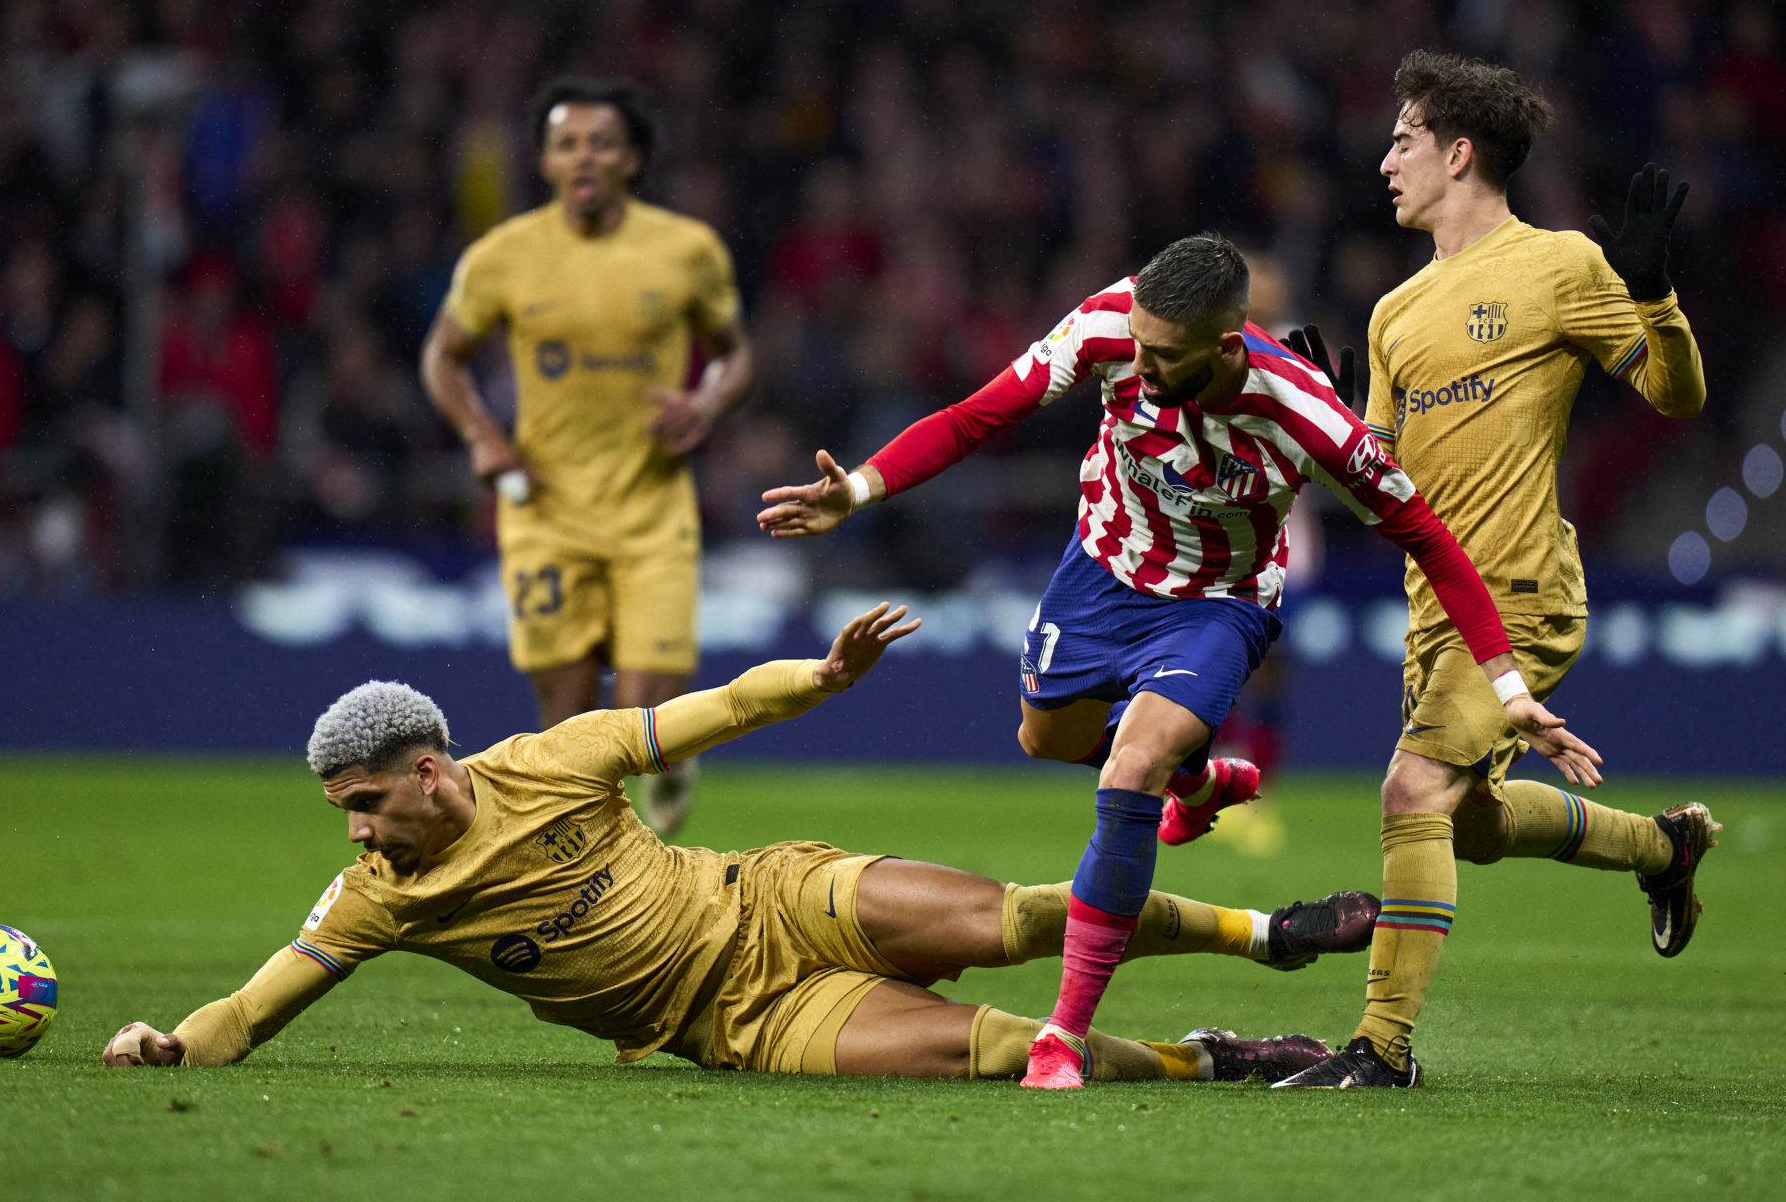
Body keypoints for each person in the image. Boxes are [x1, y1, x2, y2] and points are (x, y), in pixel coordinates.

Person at [756, 233, 1597, 1089]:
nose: (1141, 367)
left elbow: (1431, 542)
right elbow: (979, 415)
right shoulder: (1109, 325)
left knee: (1129, 769)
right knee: (1043, 740)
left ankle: (1062, 1036)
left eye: (1164, 357)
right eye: (1139, 348)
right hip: (1101, 570)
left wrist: (1505, 681)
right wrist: (857, 490)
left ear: (1226, 345)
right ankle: (1197, 783)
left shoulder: (1303, 412)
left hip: (1214, 606)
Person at [100, 602, 1380, 1085]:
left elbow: (709, 709)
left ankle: (1267, 934)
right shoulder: (379, 897)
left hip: (773, 900)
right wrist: (172, 1038)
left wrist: (823, 676)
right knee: (995, 1050)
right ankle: (1208, 1059)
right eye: (349, 817)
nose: (363, 832)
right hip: (741, 1020)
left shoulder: (552, 757)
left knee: (1016, 920)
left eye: (369, 802)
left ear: (428, 770)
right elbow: (250, 1007)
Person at [1273, 51, 1717, 1090]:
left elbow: (1677, 395)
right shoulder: (1391, 313)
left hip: (1522, 590)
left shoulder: (1557, 265)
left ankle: (1382, 1048)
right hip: (1439, 614)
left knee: (1410, 785)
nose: (1385, 160)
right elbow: (1384, 493)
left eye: (1404, 139)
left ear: (1459, 152)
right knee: (1462, 822)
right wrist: (1333, 434)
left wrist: (1655, 299)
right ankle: (1663, 849)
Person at [420, 77, 755, 837]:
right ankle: (588, 881)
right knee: (566, 727)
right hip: (545, 509)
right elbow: (442, 356)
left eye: (602, 143)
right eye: (567, 143)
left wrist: (706, 401)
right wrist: (480, 430)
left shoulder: (686, 251)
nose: (585, 158)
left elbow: (738, 356)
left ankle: (649, 829)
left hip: (652, 508)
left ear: (632, 159)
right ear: (543, 161)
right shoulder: (503, 256)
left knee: (641, 722)